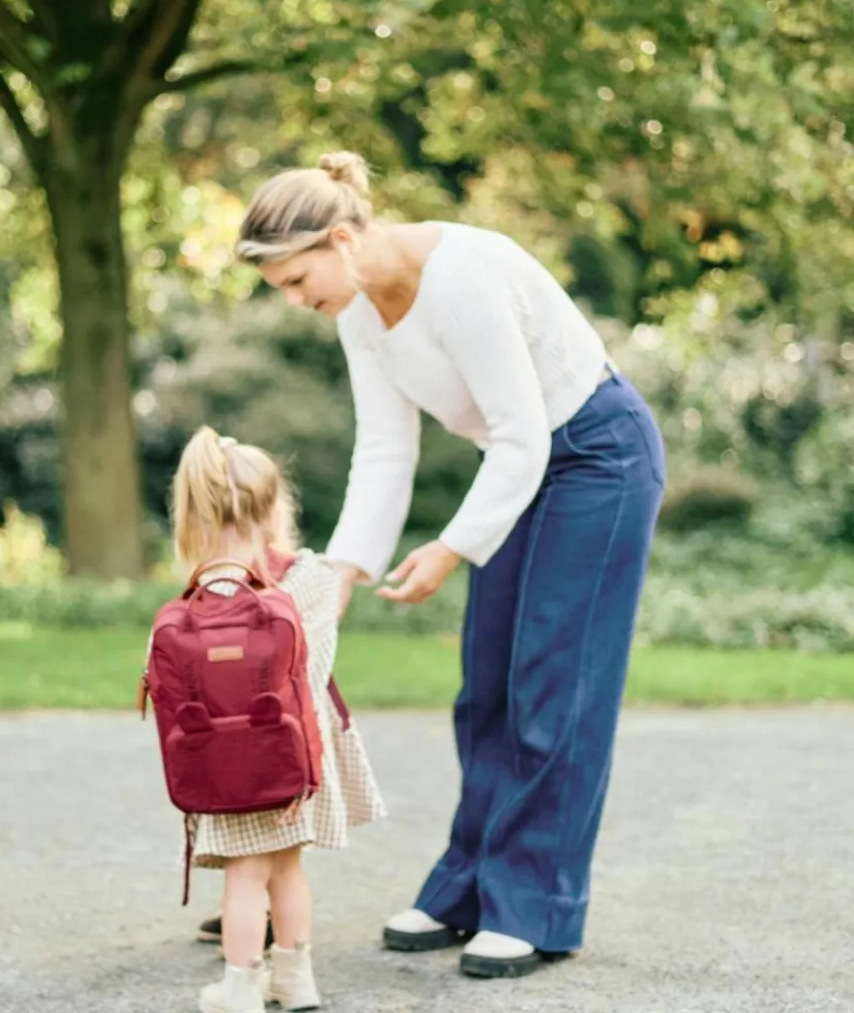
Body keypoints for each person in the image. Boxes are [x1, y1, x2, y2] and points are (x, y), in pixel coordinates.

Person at [233, 152, 665, 980]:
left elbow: (523, 433)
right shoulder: (359, 311)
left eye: (295, 280)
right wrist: (345, 570)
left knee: (554, 687)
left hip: (596, 458)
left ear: (340, 239)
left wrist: (451, 547)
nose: (293, 300)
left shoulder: (463, 275)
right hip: (518, 466)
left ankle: (535, 907)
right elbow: (384, 448)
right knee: (486, 688)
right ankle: (469, 886)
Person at [170, 426, 386, 1013]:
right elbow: (312, 674)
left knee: (244, 877)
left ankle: (240, 987)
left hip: (232, 766)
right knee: (288, 872)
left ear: (197, 513)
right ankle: (296, 982)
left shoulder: (202, 595)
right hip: (297, 755)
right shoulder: (311, 578)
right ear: (274, 507)